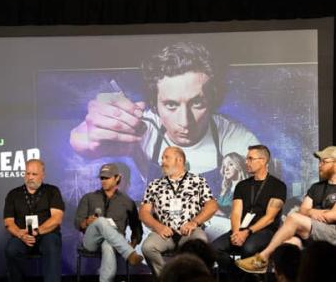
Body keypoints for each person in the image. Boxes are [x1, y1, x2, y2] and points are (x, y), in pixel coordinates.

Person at [70, 41, 260, 192]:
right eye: (171, 105)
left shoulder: (237, 140)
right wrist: (82, 139)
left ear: (212, 100)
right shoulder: (143, 130)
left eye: (197, 103)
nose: (185, 122)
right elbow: (82, 140)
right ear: (155, 105)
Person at [236, 146, 336, 273]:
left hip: (332, 232)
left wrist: (311, 212)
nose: (319, 165)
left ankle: (263, 258)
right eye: (319, 161)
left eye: (324, 162)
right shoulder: (316, 187)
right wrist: (314, 212)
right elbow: (303, 211)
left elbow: (331, 216)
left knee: (293, 217)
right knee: (288, 245)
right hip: (312, 230)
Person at [139, 146, 218, 281]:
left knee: (200, 242)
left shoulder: (197, 181)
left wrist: (194, 222)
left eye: (166, 158)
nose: (162, 161)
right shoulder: (155, 185)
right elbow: (144, 212)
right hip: (164, 233)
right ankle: (167, 281)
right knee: (148, 247)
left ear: (179, 160)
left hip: (189, 231)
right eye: (162, 158)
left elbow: (212, 206)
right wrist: (158, 227)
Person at [75, 163, 144, 282]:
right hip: (91, 241)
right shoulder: (88, 198)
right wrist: (87, 221)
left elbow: (136, 227)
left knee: (108, 245)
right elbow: (77, 223)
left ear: (117, 178)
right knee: (100, 221)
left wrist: (134, 241)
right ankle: (129, 254)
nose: (103, 181)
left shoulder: (127, 201)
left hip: (113, 243)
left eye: (107, 178)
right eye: (101, 178)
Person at [212, 145, 286, 276]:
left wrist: (247, 232)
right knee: (213, 249)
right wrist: (236, 233)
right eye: (246, 159)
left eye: (250, 159)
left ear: (263, 161)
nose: (246, 162)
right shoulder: (242, 185)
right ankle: (237, 276)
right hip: (240, 230)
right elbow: (236, 213)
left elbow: (270, 218)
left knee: (248, 248)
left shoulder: (278, 186)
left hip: (265, 230)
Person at [4, 159, 65, 282]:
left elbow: (57, 218)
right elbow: (9, 222)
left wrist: (38, 231)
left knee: (51, 244)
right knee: (11, 249)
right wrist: (20, 234)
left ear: (42, 175)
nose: (30, 177)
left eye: (34, 174)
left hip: (46, 234)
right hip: (22, 236)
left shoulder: (52, 191)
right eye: (27, 173)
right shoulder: (14, 194)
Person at [217, 152, 247, 216]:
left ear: (238, 166)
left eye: (230, 164)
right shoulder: (225, 190)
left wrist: (221, 214)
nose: (226, 169)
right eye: (224, 166)